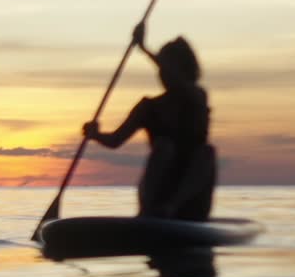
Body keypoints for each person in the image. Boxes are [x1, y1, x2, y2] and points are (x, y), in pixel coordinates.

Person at [82, 23, 216, 220]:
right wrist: (94, 134)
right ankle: (153, 210)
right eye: (163, 67)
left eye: (169, 67)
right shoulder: (148, 107)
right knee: (164, 146)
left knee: (207, 152)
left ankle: (171, 207)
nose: (164, 73)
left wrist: (144, 48)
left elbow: (181, 83)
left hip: (192, 199)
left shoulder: (197, 97)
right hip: (156, 198)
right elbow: (115, 140)